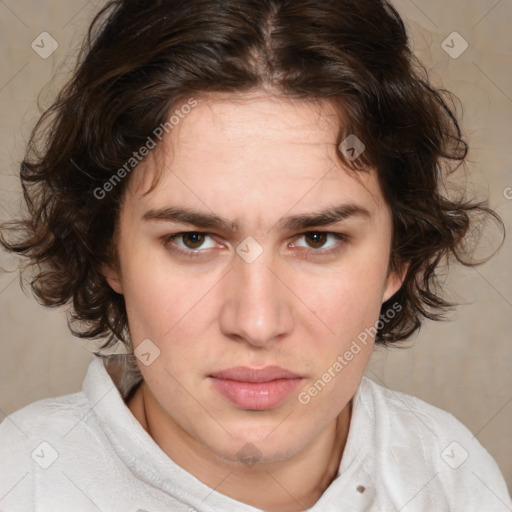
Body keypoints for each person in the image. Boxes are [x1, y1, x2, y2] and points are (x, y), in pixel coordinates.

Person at [0, 0, 510, 510]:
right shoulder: (21, 482)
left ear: (399, 257)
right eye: (193, 239)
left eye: (316, 238)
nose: (258, 322)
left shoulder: (451, 476)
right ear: (107, 250)